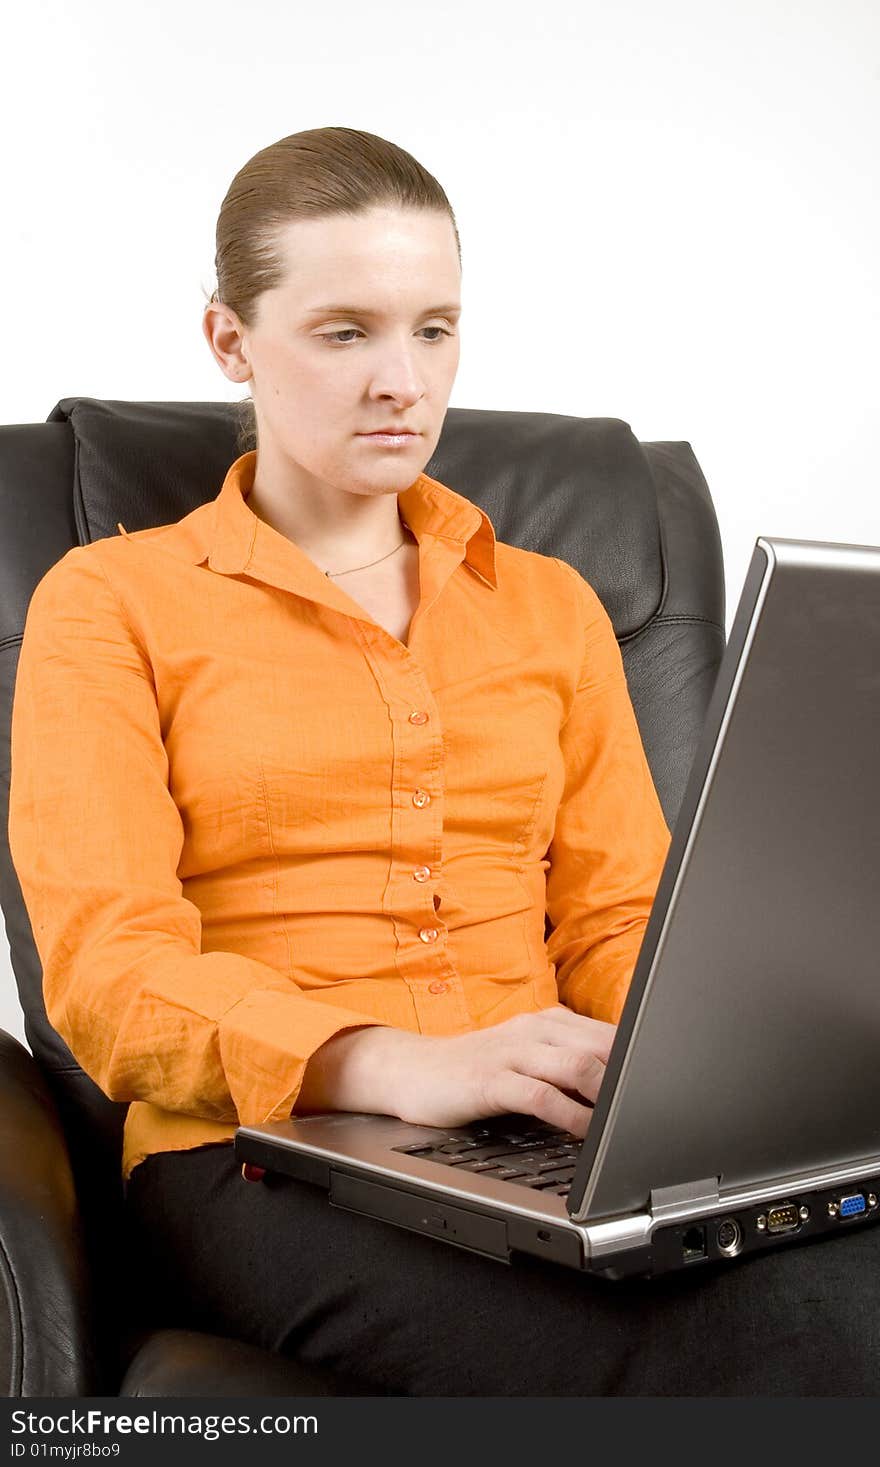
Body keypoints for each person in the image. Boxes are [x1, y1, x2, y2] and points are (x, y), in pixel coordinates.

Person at [8, 127, 879, 1398]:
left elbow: (621, 915)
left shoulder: (550, 605)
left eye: (434, 329)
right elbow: (109, 973)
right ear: (229, 342)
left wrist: (736, 1074)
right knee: (790, 1340)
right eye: (343, 331)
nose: (402, 382)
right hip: (257, 1153)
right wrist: (393, 1062)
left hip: (545, 1133)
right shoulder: (112, 602)